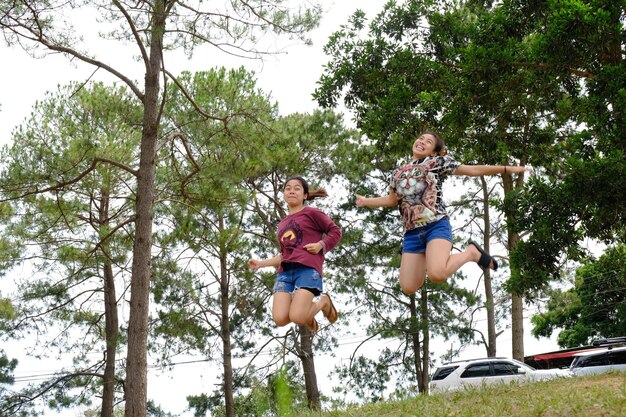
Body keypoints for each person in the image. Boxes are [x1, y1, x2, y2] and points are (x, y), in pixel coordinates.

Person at [355, 131, 532, 295]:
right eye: (421, 139)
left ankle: (471, 253)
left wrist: (507, 169)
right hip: (411, 234)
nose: (422, 142)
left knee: (437, 274)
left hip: (435, 226)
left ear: (433, 152)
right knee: (408, 287)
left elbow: (472, 170)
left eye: (429, 142)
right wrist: (366, 201)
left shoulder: (437, 163)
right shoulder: (397, 173)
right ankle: (427, 254)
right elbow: (392, 199)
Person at [248, 176, 342, 333]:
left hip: (307, 269)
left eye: (297, 188)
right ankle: (305, 308)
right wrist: (261, 263)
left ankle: (322, 302)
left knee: (298, 317)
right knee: (280, 319)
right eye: (288, 188)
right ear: (284, 194)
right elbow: (285, 254)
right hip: (285, 273)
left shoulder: (312, 213)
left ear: (305, 195)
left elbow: (335, 231)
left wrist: (321, 245)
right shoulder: (283, 224)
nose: (292, 191)